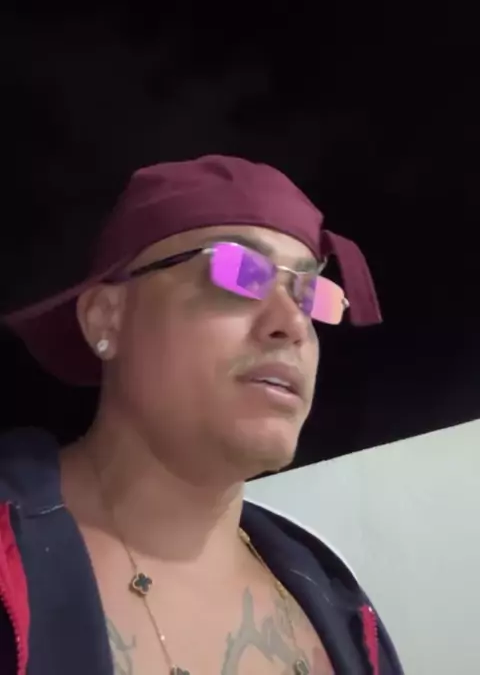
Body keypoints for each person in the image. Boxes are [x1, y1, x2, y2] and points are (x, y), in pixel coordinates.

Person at [0, 154, 404, 675]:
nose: (292, 325)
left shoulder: (341, 606)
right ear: (106, 318)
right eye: (239, 272)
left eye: (308, 295)